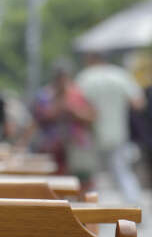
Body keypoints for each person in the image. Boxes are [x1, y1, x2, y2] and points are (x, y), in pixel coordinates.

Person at [76, 52, 146, 205]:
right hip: (118, 132)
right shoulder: (120, 75)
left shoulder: (85, 77)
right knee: (122, 171)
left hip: (93, 134)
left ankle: (92, 210)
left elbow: (76, 105)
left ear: (90, 59)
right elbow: (138, 103)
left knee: (94, 176)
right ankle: (133, 206)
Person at [31, 66, 95, 188]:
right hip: (52, 147)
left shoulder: (78, 94)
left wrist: (74, 112)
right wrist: (56, 110)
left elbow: (91, 116)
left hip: (76, 146)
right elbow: (38, 118)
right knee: (54, 184)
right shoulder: (45, 95)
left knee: (82, 181)